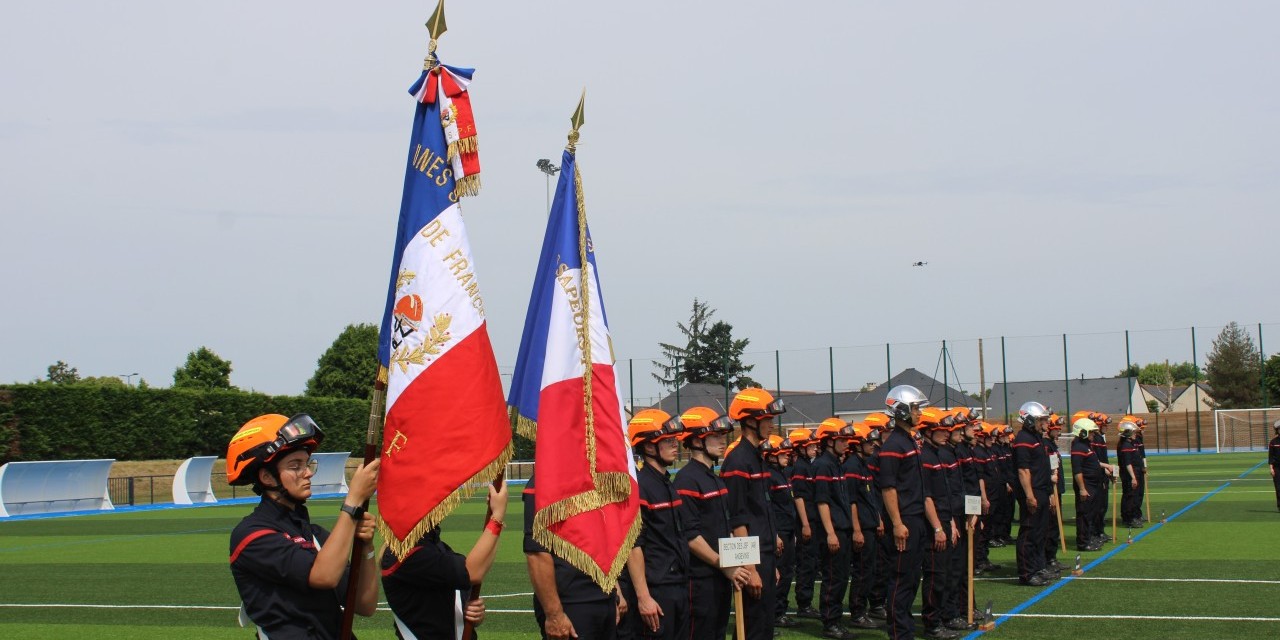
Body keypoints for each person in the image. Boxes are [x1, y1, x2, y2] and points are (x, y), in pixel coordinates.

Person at [226, 413, 380, 639]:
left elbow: (365, 605)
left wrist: (365, 549)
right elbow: (324, 576)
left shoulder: (313, 534)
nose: (307, 472)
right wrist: (353, 502)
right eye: (295, 465)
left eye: (307, 463)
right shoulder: (252, 536)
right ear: (268, 478)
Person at [382, 479, 506, 639]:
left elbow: (475, 573)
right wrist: (497, 517)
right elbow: (472, 572)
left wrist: (470, 611)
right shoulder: (404, 554)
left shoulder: (435, 546)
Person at [673, 406, 748, 640]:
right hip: (701, 578)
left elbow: (725, 526)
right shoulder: (687, 480)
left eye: (722, 436)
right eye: (715, 436)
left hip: (722, 575)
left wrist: (739, 561)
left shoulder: (714, 478)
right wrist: (723, 565)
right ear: (696, 440)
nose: (722, 441)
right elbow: (691, 536)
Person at [524, 472, 623, 640]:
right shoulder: (543, 482)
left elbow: (602, 542)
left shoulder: (592, 478)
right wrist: (554, 614)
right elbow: (537, 554)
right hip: (571, 603)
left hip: (602, 599)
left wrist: (613, 592)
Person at [622, 409, 691, 640]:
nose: (675, 445)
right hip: (656, 591)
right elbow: (633, 545)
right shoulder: (640, 487)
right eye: (668, 441)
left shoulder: (666, 483)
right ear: (649, 447)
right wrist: (643, 596)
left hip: (677, 585)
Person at [724, 388, 786, 640]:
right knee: (755, 627)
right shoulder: (738, 461)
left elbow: (762, 508)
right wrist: (750, 567)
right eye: (767, 419)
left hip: (765, 554)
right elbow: (737, 518)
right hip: (754, 558)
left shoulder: (756, 456)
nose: (772, 425)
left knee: (765, 625)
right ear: (750, 420)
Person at [877, 385, 930, 640]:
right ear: (901, 410)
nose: (919, 413)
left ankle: (905, 629)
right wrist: (897, 523)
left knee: (911, 579)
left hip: (916, 520)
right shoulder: (893, 446)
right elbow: (888, 489)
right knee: (900, 580)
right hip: (905, 521)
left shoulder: (910, 441)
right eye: (915, 408)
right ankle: (899, 633)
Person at [811, 418, 857, 639]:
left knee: (840, 576)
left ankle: (835, 619)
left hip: (842, 528)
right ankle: (830, 622)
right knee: (833, 577)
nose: (846, 443)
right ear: (829, 441)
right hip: (833, 530)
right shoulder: (822, 465)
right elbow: (822, 502)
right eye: (842, 439)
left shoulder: (836, 463)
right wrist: (830, 533)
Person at [917, 408, 960, 640]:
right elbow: (927, 497)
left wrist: (950, 522)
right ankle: (932, 624)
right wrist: (937, 527)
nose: (946, 434)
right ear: (927, 432)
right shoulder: (925, 456)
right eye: (940, 430)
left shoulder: (938, 454)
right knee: (935, 575)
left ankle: (942, 618)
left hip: (944, 519)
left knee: (945, 574)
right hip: (933, 525)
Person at [1012, 401, 1056, 587]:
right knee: (1030, 532)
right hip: (1033, 491)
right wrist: (1030, 495)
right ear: (1030, 420)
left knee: (1040, 532)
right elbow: (1023, 470)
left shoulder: (1037, 438)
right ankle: (1027, 573)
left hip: (1042, 490)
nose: (1045, 422)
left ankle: (1038, 567)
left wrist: (1049, 493)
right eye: (1041, 419)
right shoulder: (1023, 439)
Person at [844, 422, 883, 630]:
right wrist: (857, 529)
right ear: (857, 444)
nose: (873, 445)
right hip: (862, 528)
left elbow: (870, 497)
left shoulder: (864, 465)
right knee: (861, 571)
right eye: (869, 442)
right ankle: (857, 613)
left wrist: (878, 519)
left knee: (869, 569)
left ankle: (863, 610)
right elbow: (851, 502)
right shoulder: (851, 467)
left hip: (870, 525)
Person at [764, 434, 801, 629]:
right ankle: (775, 613)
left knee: (787, 572)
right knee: (779, 574)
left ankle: (781, 611)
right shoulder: (769, 476)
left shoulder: (783, 474)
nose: (787, 457)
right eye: (783, 454)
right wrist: (775, 535)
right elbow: (769, 508)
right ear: (771, 456)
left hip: (788, 529)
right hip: (779, 531)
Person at [790, 426, 822, 621]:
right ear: (800, 448)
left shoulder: (807, 465)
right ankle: (804, 603)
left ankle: (806, 602)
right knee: (806, 562)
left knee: (810, 561)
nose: (814, 449)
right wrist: (805, 524)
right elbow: (799, 497)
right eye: (809, 446)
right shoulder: (800, 468)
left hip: (811, 519)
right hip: (807, 520)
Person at [1070, 418, 1105, 551]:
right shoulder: (1078, 447)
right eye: (1091, 432)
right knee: (1084, 515)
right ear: (1082, 432)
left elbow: (1094, 463)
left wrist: (1106, 466)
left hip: (1092, 485)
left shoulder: (1086, 446)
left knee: (1090, 514)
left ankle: (1089, 538)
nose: (1093, 435)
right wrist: (1082, 489)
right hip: (1087, 486)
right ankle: (1083, 543)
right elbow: (1077, 470)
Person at [1042, 414, 1067, 573]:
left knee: (1055, 526)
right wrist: (1051, 492)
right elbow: (1048, 470)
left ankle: (1052, 557)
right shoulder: (1046, 446)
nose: (1059, 432)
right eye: (1056, 429)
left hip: (1057, 490)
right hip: (1051, 491)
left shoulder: (1052, 445)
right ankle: (1048, 559)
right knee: (1050, 527)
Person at [1116, 420, 1143, 528]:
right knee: (1129, 496)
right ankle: (1128, 519)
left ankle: (1131, 517)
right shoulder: (1126, 445)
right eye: (1133, 432)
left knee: (1132, 495)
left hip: (1134, 472)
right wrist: (1133, 477)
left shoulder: (1129, 443)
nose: (1135, 434)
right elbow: (1127, 463)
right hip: (1129, 474)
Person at [1270, 420, 1280, 512]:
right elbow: (1271, 456)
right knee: (1278, 487)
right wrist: (1271, 468)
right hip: (1277, 468)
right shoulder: (1273, 442)